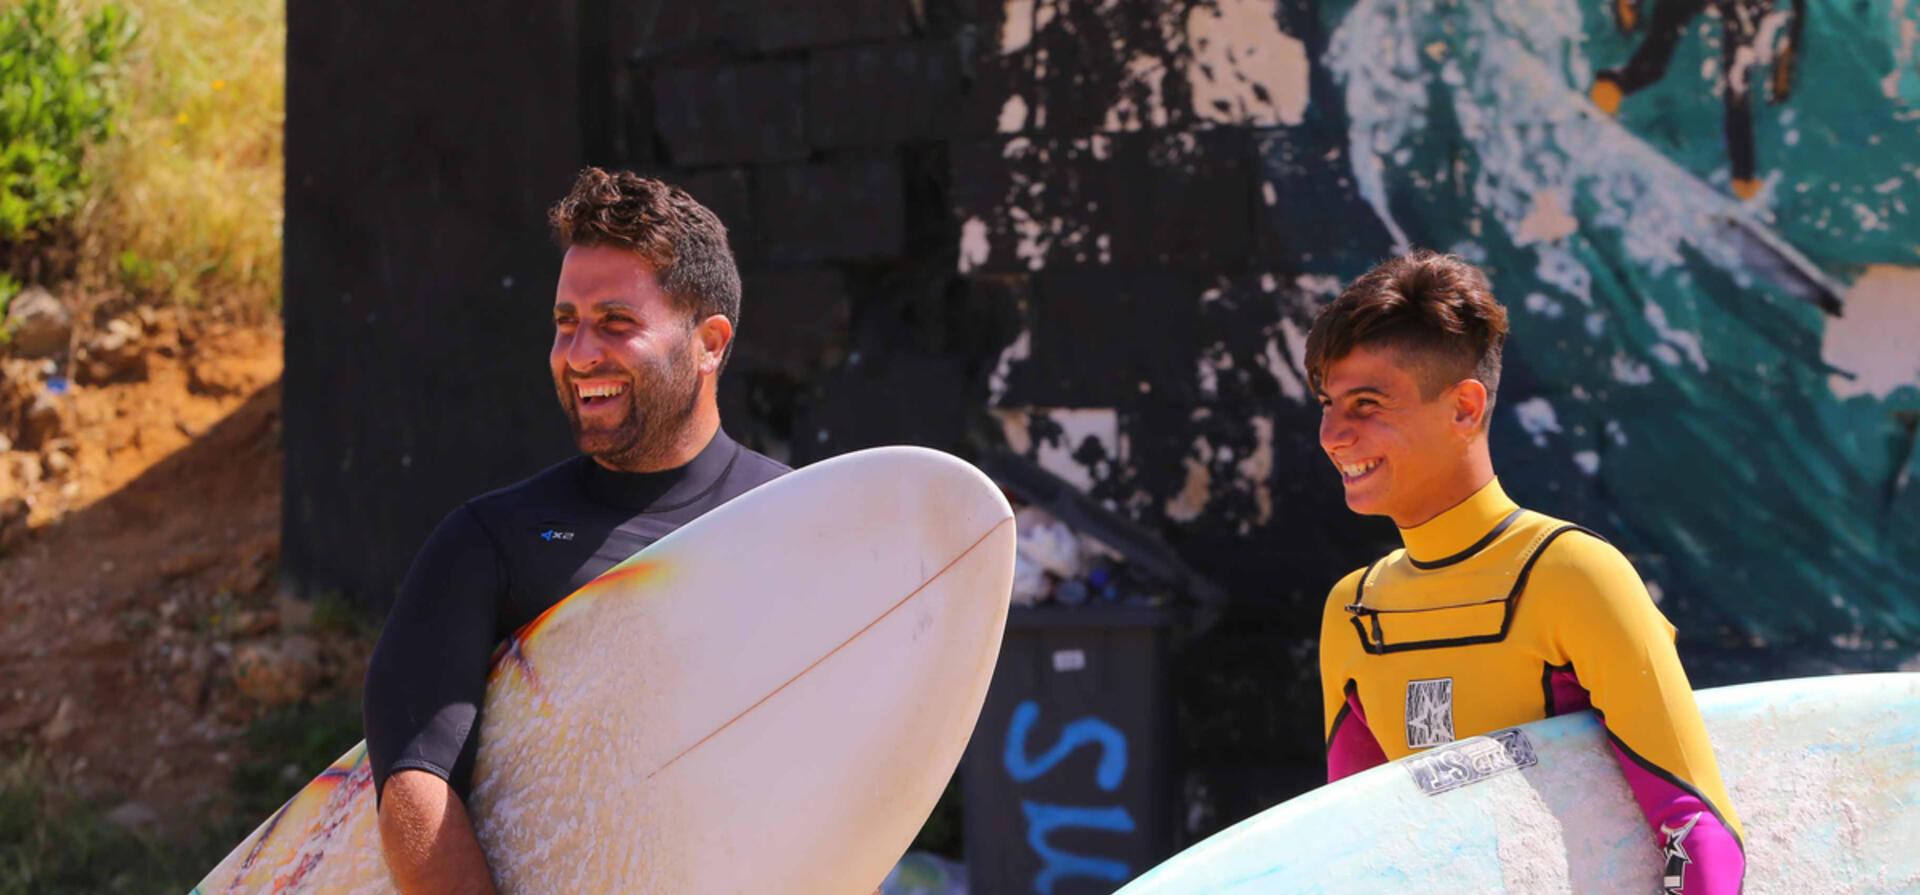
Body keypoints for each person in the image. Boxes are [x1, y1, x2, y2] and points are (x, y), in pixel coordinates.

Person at [363, 168, 788, 894]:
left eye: (616, 322)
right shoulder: (491, 542)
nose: (580, 352)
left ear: (709, 342)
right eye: (566, 322)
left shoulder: (797, 521)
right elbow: (415, 789)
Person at [1309, 251, 1744, 894]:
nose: (1332, 434)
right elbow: (1362, 854)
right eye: (1327, 403)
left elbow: (1696, 831)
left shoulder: (1574, 576)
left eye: (1367, 403)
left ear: (1463, 407)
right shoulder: (1353, 609)